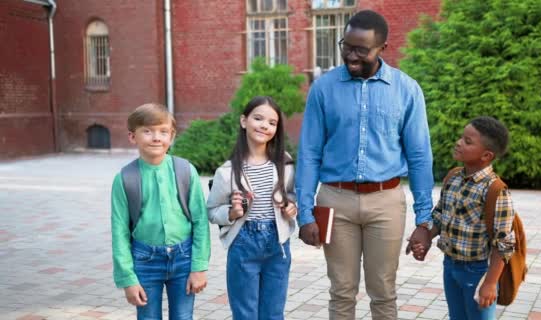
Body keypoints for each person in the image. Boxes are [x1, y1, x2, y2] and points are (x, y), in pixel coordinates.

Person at [296, 9, 435, 320]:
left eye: (361, 49)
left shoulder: (407, 90)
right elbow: (309, 152)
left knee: (384, 293)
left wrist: (424, 221)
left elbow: (419, 157)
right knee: (341, 292)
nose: (351, 55)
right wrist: (304, 214)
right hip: (335, 200)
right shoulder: (323, 89)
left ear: (382, 48)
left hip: (386, 202)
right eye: (346, 45)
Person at [111, 103, 211, 320]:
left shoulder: (185, 170)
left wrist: (199, 266)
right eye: (147, 131)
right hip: (145, 261)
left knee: (183, 317)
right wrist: (128, 279)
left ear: (172, 136)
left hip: (184, 258)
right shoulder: (125, 179)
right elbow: (119, 232)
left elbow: (200, 221)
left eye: (163, 131)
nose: (156, 137)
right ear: (132, 137)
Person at [412, 116, 516, 319]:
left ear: (486, 155)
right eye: (462, 137)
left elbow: (503, 244)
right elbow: (440, 216)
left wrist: (489, 283)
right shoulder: (453, 177)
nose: (459, 142)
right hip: (450, 265)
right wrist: (426, 236)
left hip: (477, 271)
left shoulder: (495, 190)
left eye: (468, 141)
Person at [206, 96, 297, 320]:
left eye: (272, 122)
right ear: (244, 121)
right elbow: (211, 210)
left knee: (274, 313)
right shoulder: (226, 172)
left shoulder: (285, 164)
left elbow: (294, 196)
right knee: (245, 313)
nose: (265, 125)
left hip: (278, 246)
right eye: (258, 118)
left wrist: (291, 207)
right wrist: (231, 212)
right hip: (243, 244)